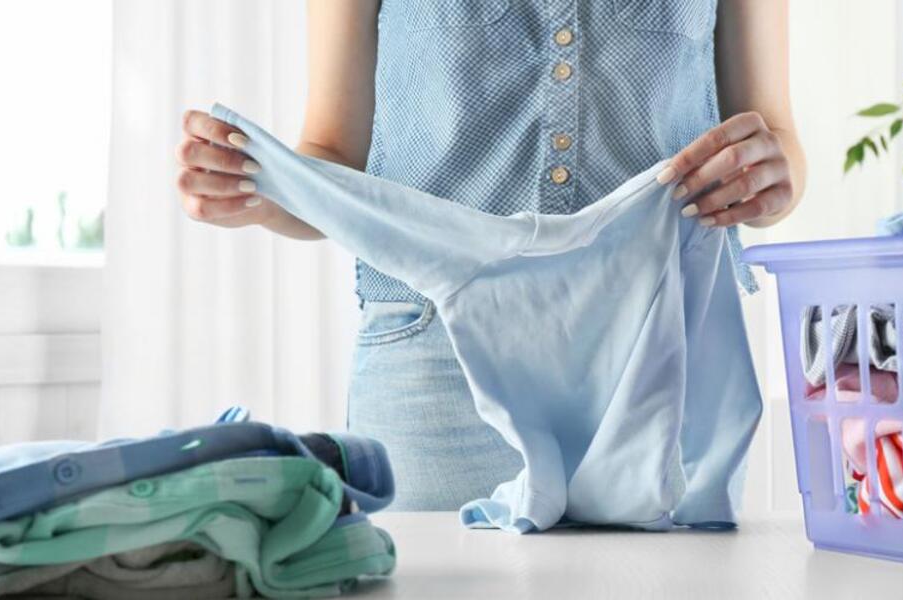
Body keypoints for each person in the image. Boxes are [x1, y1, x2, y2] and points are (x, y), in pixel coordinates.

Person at [174, 1, 807, 510]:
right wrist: (261, 192)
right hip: (432, 369)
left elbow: (775, 136)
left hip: (658, 356)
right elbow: (335, 152)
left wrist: (772, 179)